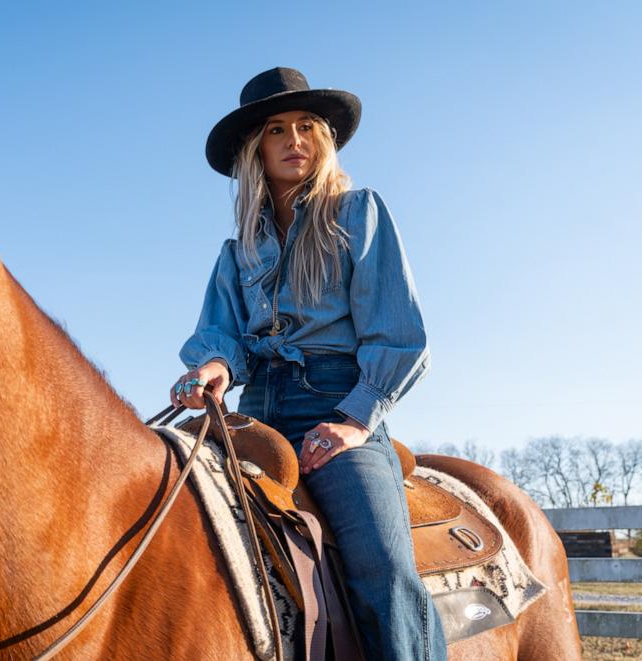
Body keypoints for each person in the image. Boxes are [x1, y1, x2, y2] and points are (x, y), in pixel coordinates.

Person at [171, 67, 446, 661]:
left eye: (305, 127)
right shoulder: (237, 250)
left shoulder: (356, 213)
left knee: (382, 567)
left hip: (336, 399)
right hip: (257, 410)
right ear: (256, 150)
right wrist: (215, 367)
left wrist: (355, 419)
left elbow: (396, 330)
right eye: (276, 129)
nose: (293, 139)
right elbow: (220, 334)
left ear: (321, 140)